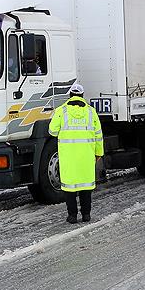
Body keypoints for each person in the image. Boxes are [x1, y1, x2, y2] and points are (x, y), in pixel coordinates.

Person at [48, 83, 104, 224]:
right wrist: (98, 153)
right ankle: (86, 215)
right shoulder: (91, 112)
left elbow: (52, 131)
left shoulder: (61, 111)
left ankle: (72, 216)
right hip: (86, 156)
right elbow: (98, 135)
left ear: (70, 95)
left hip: (68, 157)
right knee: (86, 188)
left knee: (70, 188)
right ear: (82, 96)